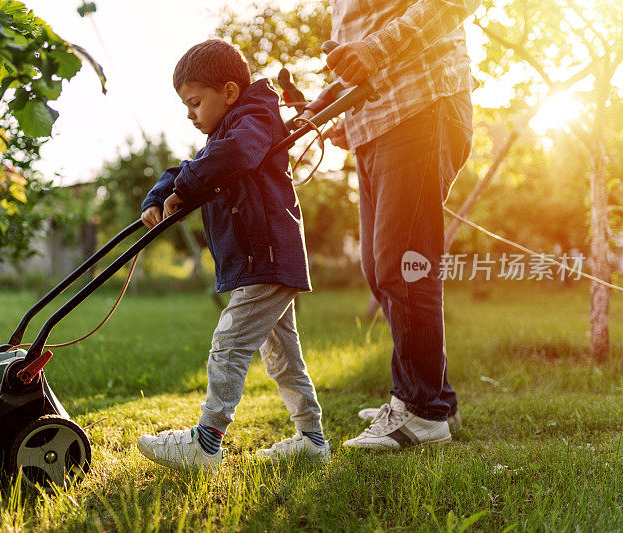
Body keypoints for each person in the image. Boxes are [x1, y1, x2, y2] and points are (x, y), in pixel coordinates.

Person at [136, 39, 329, 471]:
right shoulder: (225, 131)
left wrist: (185, 189)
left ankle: (206, 442)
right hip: (259, 261)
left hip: (266, 257)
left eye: (195, 102)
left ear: (228, 92)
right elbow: (190, 166)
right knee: (282, 355)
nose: (190, 114)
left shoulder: (256, 119)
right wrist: (158, 195)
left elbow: (231, 156)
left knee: (229, 344)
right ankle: (311, 438)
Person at [324, 0, 479, 448]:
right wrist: (342, 110)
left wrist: (374, 50)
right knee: (380, 269)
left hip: (421, 104)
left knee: (403, 264)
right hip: (376, 125)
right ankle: (432, 398)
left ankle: (422, 412)